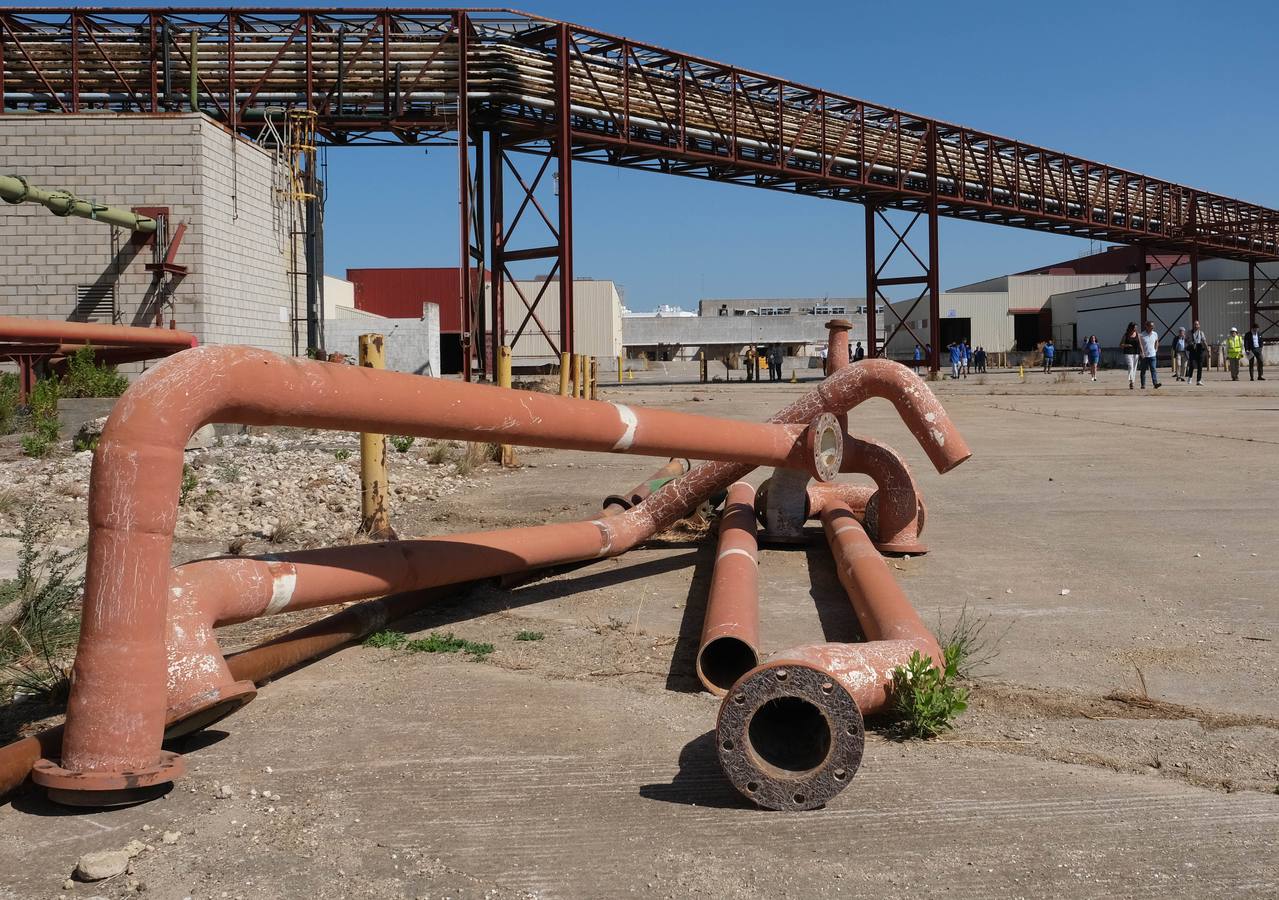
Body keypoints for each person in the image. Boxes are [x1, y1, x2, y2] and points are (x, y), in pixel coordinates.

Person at [1138, 321, 1161, 389]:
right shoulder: (1142, 335)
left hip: (1152, 355)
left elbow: (1157, 341)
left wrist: (1156, 349)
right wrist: (1142, 352)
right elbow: (1140, 345)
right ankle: (1143, 384)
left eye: (1153, 326)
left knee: (1153, 369)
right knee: (1143, 370)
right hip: (1144, 356)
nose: (1152, 327)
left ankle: (1155, 383)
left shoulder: (1155, 334)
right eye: (1151, 326)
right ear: (1147, 326)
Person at [1120, 322, 1141, 390]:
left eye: (1136, 328)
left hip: (1136, 353)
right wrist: (1127, 345)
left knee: (1134, 367)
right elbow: (1121, 345)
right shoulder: (1126, 335)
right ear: (1131, 328)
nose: (1136, 329)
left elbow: (1140, 344)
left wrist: (1142, 352)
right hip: (1128, 352)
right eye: (1135, 328)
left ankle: (1132, 382)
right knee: (1130, 366)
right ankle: (1131, 381)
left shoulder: (1137, 334)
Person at [1186, 319, 1207, 385]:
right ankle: (1190, 378)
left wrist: (1207, 349)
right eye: (1195, 324)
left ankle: (1198, 380)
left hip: (1199, 349)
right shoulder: (1189, 332)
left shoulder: (1201, 333)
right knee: (1192, 365)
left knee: (1200, 366)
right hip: (1192, 349)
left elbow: (1204, 341)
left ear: (1199, 325)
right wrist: (1189, 344)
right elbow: (1186, 341)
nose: (1196, 326)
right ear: (1193, 325)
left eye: (1197, 324)